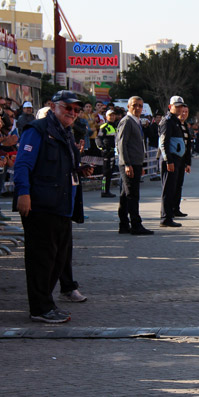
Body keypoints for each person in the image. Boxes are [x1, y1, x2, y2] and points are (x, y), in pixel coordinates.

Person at [13, 90, 93, 323]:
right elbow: (22, 165)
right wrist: (23, 193)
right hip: (41, 205)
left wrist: (79, 170)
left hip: (62, 205)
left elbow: (62, 165)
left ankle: (46, 303)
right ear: (53, 106)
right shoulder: (37, 130)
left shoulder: (66, 133)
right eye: (68, 108)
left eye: (76, 110)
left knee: (58, 259)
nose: (72, 113)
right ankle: (40, 308)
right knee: (41, 259)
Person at [117, 96, 153, 235]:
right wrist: (127, 163)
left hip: (136, 163)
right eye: (134, 105)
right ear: (128, 106)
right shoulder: (126, 121)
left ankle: (124, 224)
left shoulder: (136, 121)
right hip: (129, 163)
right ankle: (136, 225)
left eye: (140, 105)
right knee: (132, 194)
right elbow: (122, 144)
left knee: (126, 195)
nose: (137, 108)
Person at [158, 95, 186, 228]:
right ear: (170, 107)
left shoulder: (175, 121)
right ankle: (165, 218)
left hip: (176, 158)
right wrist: (168, 160)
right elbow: (164, 142)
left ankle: (169, 215)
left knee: (173, 189)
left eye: (181, 106)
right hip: (170, 159)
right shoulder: (167, 121)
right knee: (168, 189)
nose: (180, 109)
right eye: (177, 106)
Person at [174, 104, 192, 218]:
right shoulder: (174, 125)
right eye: (182, 111)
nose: (184, 114)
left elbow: (188, 146)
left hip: (182, 159)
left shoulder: (185, 125)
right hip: (173, 159)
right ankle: (169, 210)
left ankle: (176, 208)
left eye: (186, 112)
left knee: (179, 185)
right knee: (172, 185)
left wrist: (188, 163)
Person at [95, 109, 118, 198]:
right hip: (107, 152)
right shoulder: (104, 126)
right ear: (106, 117)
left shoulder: (116, 126)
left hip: (113, 151)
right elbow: (98, 138)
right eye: (110, 115)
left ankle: (107, 190)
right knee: (106, 172)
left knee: (110, 171)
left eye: (113, 115)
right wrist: (103, 148)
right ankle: (104, 191)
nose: (112, 117)